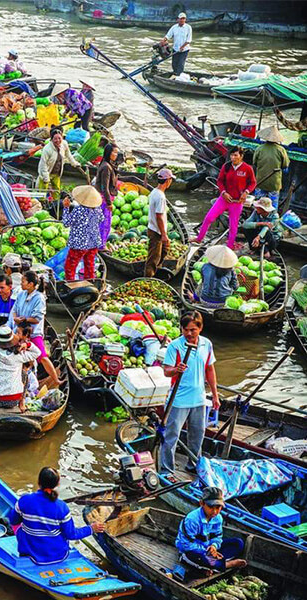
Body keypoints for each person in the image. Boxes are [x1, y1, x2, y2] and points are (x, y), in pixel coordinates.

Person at [160, 311, 219, 478]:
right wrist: (175, 369)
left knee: (197, 435)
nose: (188, 333)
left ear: (200, 328)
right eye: (185, 329)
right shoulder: (175, 346)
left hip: (199, 398)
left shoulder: (206, 344)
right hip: (178, 400)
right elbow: (166, 371)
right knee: (171, 436)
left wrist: (215, 395)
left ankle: (193, 465)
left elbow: (210, 369)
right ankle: (166, 470)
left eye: (193, 330)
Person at [8, 467, 105, 565]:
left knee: (19, 525)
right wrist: (91, 529)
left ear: (38, 482)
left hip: (30, 554)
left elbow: (13, 520)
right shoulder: (62, 507)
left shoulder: (24, 500)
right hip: (58, 555)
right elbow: (71, 534)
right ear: (57, 484)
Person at [195, 147, 256, 249]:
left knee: (233, 225)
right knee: (209, 218)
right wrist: (223, 192)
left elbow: (253, 182)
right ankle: (199, 238)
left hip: (237, 201)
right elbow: (220, 181)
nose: (233, 157)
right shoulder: (226, 166)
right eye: (232, 155)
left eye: (236, 155)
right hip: (224, 199)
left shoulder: (247, 168)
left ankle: (230, 245)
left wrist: (246, 192)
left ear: (241, 156)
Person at [176, 487, 247, 574]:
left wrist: (214, 546)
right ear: (202, 503)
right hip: (192, 551)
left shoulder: (218, 518)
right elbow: (186, 545)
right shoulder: (192, 520)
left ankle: (213, 565)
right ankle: (227, 564)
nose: (214, 511)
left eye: (218, 507)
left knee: (238, 543)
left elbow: (217, 537)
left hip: (209, 548)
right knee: (197, 557)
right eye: (211, 507)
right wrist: (207, 551)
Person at [10, 271, 61, 387]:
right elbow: (14, 309)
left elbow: (37, 319)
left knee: (42, 356)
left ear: (31, 284)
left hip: (33, 332)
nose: (21, 283)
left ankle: (56, 379)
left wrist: (24, 319)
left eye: (23, 281)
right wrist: (15, 318)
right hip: (19, 330)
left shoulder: (39, 298)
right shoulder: (22, 294)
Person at [61, 185, 104, 282]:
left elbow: (66, 223)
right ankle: (89, 282)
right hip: (93, 242)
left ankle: (71, 285)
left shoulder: (79, 210)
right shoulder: (97, 209)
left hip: (80, 244)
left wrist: (66, 208)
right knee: (89, 265)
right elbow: (101, 219)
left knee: (70, 266)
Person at [146, 168, 175, 278]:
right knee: (153, 259)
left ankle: (156, 273)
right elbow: (159, 216)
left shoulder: (154, 192)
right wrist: (163, 234)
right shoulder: (161, 196)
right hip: (156, 231)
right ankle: (148, 278)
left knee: (164, 250)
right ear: (168, 181)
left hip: (153, 228)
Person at [253, 125, 290, 209]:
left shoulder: (259, 149)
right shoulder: (281, 150)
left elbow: (254, 162)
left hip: (261, 181)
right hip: (274, 183)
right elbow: (285, 165)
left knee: (258, 205)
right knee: (273, 206)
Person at [94, 143, 120, 248]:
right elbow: (104, 187)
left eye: (117, 153)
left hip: (103, 198)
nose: (116, 155)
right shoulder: (106, 167)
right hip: (104, 200)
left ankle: (99, 243)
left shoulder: (107, 165)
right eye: (114, 152)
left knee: (103, 222)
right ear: (109, 153)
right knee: (104, 224)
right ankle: (100, 246)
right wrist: (109, 203)